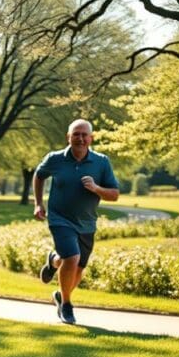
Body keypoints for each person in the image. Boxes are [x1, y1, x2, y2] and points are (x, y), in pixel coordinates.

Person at [33, 119, 119, 325]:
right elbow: (39, 175)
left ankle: (54, 263)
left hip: (87, 223)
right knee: (72, 257)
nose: (80, 138)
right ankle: (67, 306)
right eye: (76, 134)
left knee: (77, 269)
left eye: (84, 135)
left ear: (91, 138)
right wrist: (38, 203)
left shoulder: (102, 162)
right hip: (59, 218)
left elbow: (114, 195)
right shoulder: (55, 159)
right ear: (68, 137)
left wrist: (96, 188)